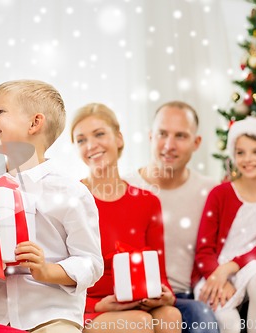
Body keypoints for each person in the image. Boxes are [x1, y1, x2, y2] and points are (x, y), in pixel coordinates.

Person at [0, 79, 104, 333]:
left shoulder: (71, 192)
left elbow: (91, 262)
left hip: (49, 316)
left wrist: (47, 271)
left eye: (0, 113)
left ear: (34, 123)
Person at [70, 103, 182, 333]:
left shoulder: (148, 202)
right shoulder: (72, 199)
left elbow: (158, 271)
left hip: (137, 302)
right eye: (81, 140)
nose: (91, 145)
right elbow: (59, 277)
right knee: (137, 323)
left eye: (99, 134)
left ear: (119, 138)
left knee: (170, 315)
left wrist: (165, 296)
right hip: (87, 309)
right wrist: (98, 304)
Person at [192, 114, 256, 333]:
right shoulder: (220, 194)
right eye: (240, 152)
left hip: (253, 267)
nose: (247, 159)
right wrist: (219, 275)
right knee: (228, 321)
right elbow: (204, 249)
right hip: (215, 271)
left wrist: (231, 266)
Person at [125, 101, 220, 333]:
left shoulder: (211, 191)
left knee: (202, 317)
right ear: (150, 137)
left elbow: (238, 238)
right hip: (131, 296)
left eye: (180, 136)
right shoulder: (123, 186)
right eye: (162, 134)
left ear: (196, 143)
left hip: (184, 296)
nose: (169, 145)